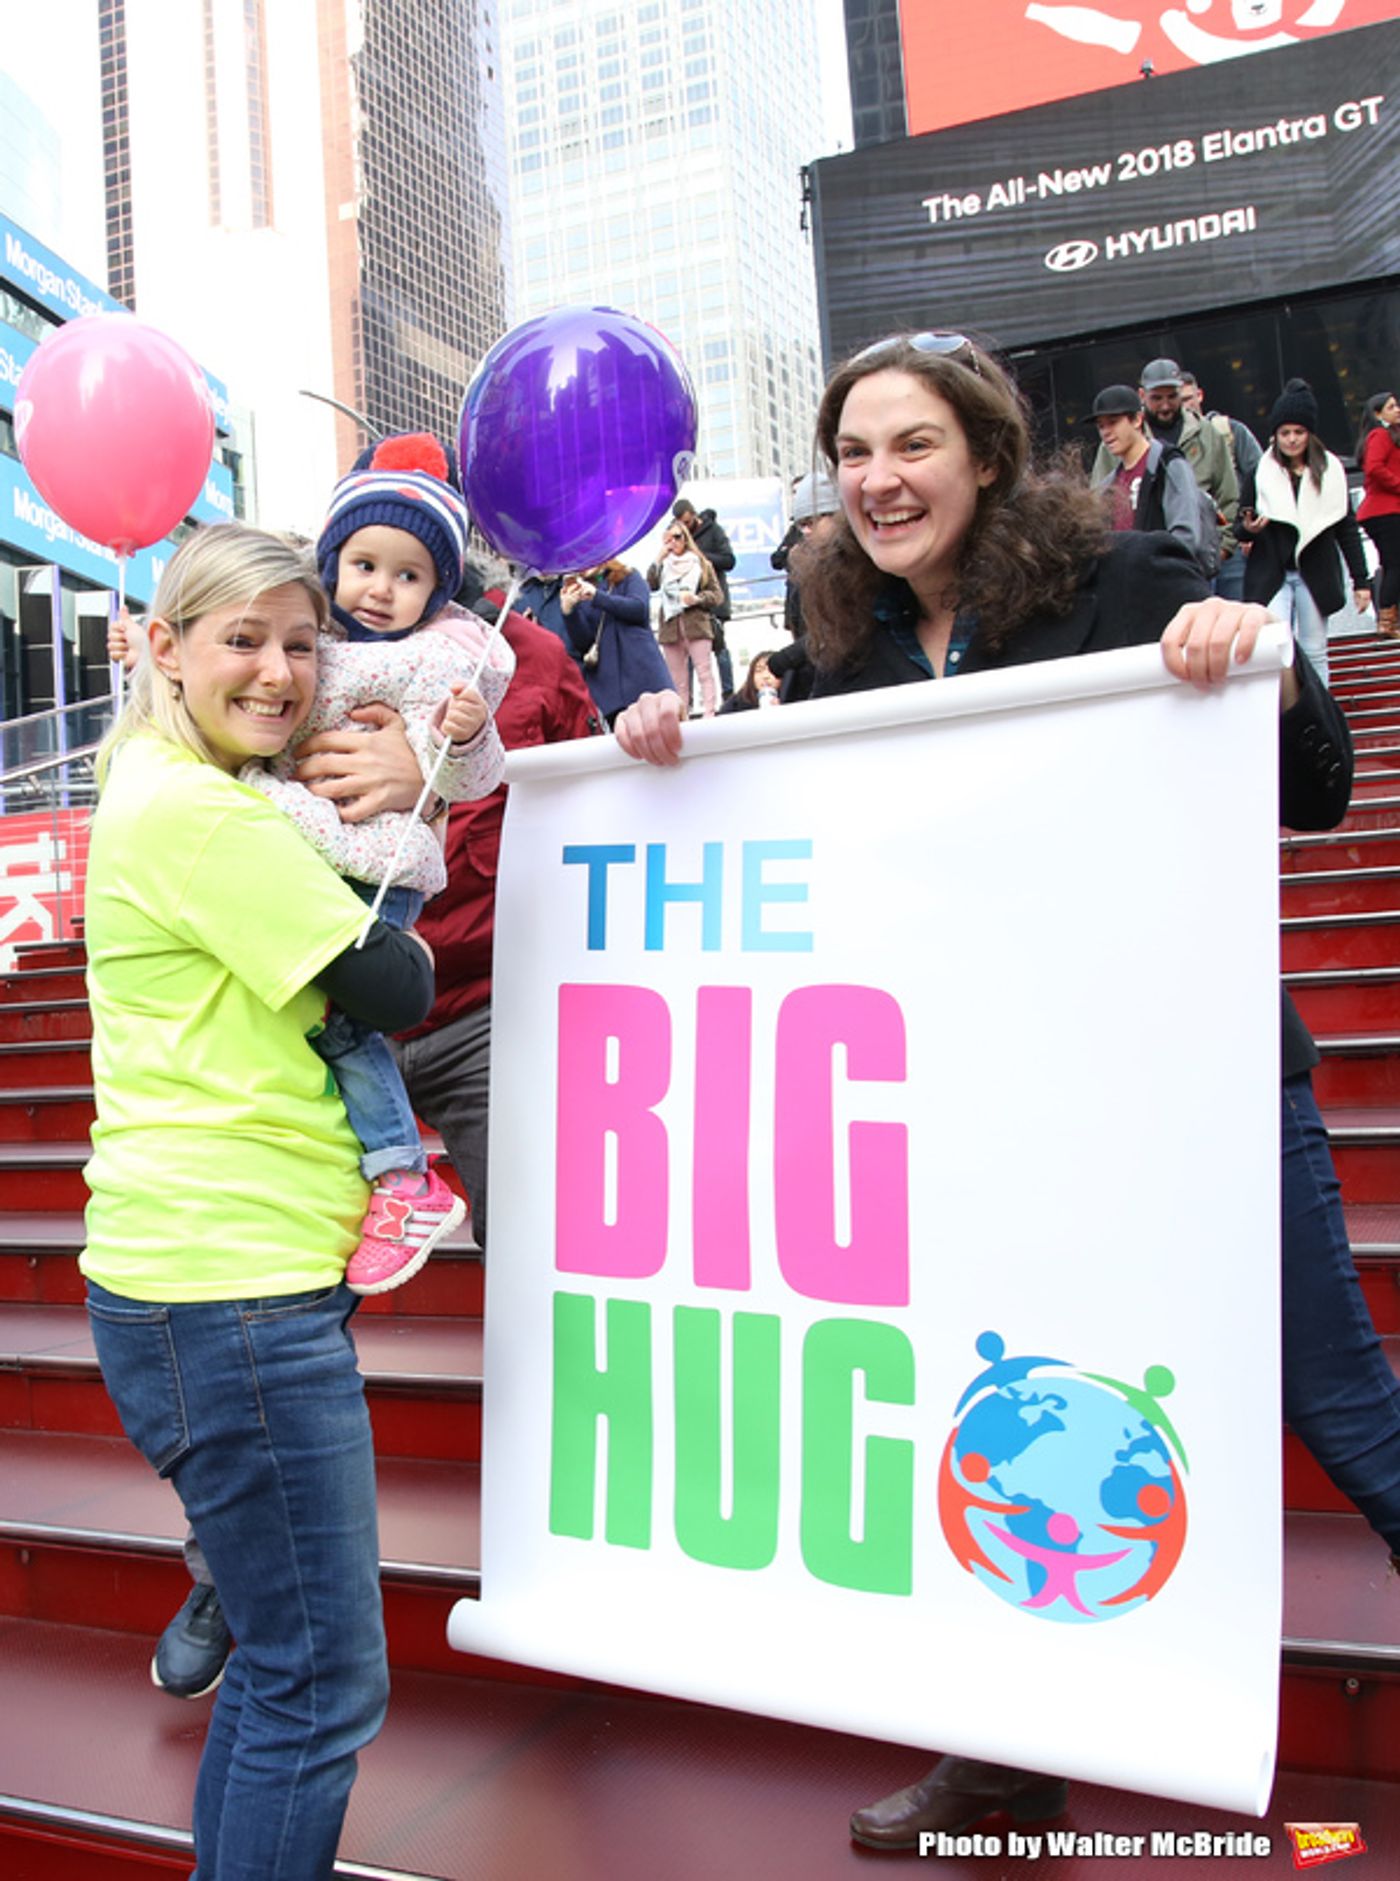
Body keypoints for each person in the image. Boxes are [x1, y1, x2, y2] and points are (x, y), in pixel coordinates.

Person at [617, 331, 1400, 1851]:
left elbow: (1317, 790)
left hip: (1190, 1080)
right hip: (990, 1111)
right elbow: (797, 836)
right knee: (986, 1418)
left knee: (1334, 1398)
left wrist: (1261, 658)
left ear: (984, 454)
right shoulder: (837, 651)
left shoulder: (1133, 579)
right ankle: (1002, 1751)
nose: (878, 478)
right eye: (853, 453)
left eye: (911, 444)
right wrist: (667, 746)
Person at [82, 523, 436, 1877]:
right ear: (165, 648)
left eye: (301, 643)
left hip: (213, 1280)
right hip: (228, 1292)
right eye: (244, 641)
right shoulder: (201, 813)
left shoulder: (169, 784)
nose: (281, 674)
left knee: (291, 1671)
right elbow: (392, 981)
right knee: (319, 1683)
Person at [393, 579, 600, 1248]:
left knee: (530, 1242)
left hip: (485, 1016)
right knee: (296, 1260)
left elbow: (598, 803)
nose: (387, 584)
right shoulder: (316, 649)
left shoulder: (531, 656)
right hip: (343, 1017)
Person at [1239, 378, 1372, 687]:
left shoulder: (1330, 472)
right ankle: (1283, 708)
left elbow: (1346, 528)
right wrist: (1249, 529)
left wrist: (1361, 581)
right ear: (1275, 435)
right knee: (1275, 647)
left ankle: (1318, 709)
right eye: (1285, 433)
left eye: (1298, 432)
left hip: (1315, 572)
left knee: (1315, 650)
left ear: (1310, 434)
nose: (1291, 440)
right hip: (1273, 573)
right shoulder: (1261, 472)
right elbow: (1240, 525)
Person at [1087, 382, 1219, 576]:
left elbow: (1186, 536)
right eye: (1101, 426)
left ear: (1137, 420)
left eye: (1113, 422)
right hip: (1127, 584)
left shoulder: (1169, 464)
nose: (1106, 432)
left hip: (1168, 581)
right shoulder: (1109, 484)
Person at [560, 555, 672, 727]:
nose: (585, 564)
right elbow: (583, 642)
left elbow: (639, 609)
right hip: (610, 689)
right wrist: (569, 612)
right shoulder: (579, 592)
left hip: (644, 675)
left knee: (663, 731)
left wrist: (597, 597)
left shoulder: (628, 576)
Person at [648, 518, 724, 716]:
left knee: (704, 672)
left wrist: (697, 599)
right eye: (668, 538)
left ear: (686, 538)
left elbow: (717, 595)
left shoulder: (700, 563)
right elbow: (650, 585)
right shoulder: (663, 566)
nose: (673, 542)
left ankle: (709, 713)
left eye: (677, 537)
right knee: (677, 680)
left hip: (696, 625)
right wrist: (658, 558)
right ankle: (683, 717)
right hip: (670, 627)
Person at [672, 497, 737, 698]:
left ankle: (728, 693)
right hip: (688, 604)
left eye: (688, 523)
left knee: (719, 648)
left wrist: (700, 557)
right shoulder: (676, 535)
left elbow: (729, 560)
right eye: (682, 525)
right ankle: (688, 698)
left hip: (712, 602)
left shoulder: (714, 531)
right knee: (689, 653)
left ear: (695, 516)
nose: (686, 528)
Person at [1356, 390, 1400, 637]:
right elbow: (1374, 468)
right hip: (1386, 511)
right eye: (1391, 407)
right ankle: (1387, 621)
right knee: (1394, 565)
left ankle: (1389, 619)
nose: (1398, 410)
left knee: (1392, 563)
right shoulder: (1380, 435)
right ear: (1377, 414)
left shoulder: (1387, 436)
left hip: (1383, 511)